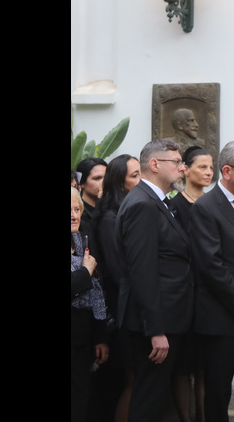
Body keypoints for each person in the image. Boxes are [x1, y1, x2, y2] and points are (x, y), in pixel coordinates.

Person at [116, 139, 195, 422]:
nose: (182, 168)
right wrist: (156, 329)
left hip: (166, 317)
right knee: (148, 398)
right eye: (176, 162)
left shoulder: (155, 201)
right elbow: (143, 270)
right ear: (154, 164)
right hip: (153, 322)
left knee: (155, 396)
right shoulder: (143, 205)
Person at [190, 141, 234, 422]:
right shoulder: (206, 208)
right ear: (228, 171)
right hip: (222, 318)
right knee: (218, 391)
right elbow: (212, 266)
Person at [165, 145, 213, 422]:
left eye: (210, 167)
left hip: (210, 296)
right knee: (182, 367)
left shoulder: (213, 204)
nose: (208, 172)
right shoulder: (174, 206)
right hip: (184, 295)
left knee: (205, 367)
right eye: (202, 167)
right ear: (186, 169)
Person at [92, 153, 141, 422]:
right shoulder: (111, 218)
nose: (141, 180)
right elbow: (118, 270)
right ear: (120, 183)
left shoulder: (128, 210)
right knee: (131, 381)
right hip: (123, 310)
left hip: (133, 306)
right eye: (134, 176)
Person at [72, 186, 109, 422]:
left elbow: (98, 292)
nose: (74, 215)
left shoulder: (81, 240)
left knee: (80, 399)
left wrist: (101, 337)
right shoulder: (85, 258)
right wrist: (86, 271)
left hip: (82, 339)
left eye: (77, 209)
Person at [76, 156, 108, 235]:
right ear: (82, 183)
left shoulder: (113, 208)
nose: (104, 182)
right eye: (97, 178)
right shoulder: (77, 214)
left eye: (107, 177)